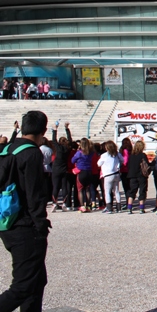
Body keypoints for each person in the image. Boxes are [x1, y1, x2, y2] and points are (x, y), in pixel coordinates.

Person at [0, 111, 51, 311]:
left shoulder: (7, 149)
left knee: (37, 281)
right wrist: (40, 224)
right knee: (22, 286)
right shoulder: (31, 153)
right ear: (43, 131)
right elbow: (34, 194)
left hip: (8, 220)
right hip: (25, 225)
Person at [50, 122, 73, 211]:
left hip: (56, 168)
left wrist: (55, 130)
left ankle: (54, 203)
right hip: (64, 168)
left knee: (55, 186)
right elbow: (70, 140)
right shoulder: (68, 149)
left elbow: (54, 140)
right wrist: (67, 129)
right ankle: (64, 203)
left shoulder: (58, 148)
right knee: (64, 187)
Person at [97, 141, 122, 213]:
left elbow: (99, 164)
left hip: (108, 174)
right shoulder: (117, 154)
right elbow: (122, 160)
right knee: (116, 191)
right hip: (116, 173)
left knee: (107, 192)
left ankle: (109, 207)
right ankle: (118, 207)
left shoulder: (104, 155)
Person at [71, 138, 96, 212]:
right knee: (87, 189)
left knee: (80, 189)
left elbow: (72, 160)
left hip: (81, 171)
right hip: (89, 171)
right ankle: (88, 205)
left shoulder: (79, 153)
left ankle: (82, 206)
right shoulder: (91, 152)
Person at [126, 141, 149, 213]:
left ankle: (129, 207)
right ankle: (141, 208)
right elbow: (147, 165)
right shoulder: (143, 155)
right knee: (142, 191)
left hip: (132, 175)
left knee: (132, 191)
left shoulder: (131, 155)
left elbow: (128, 165)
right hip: (141, 175)